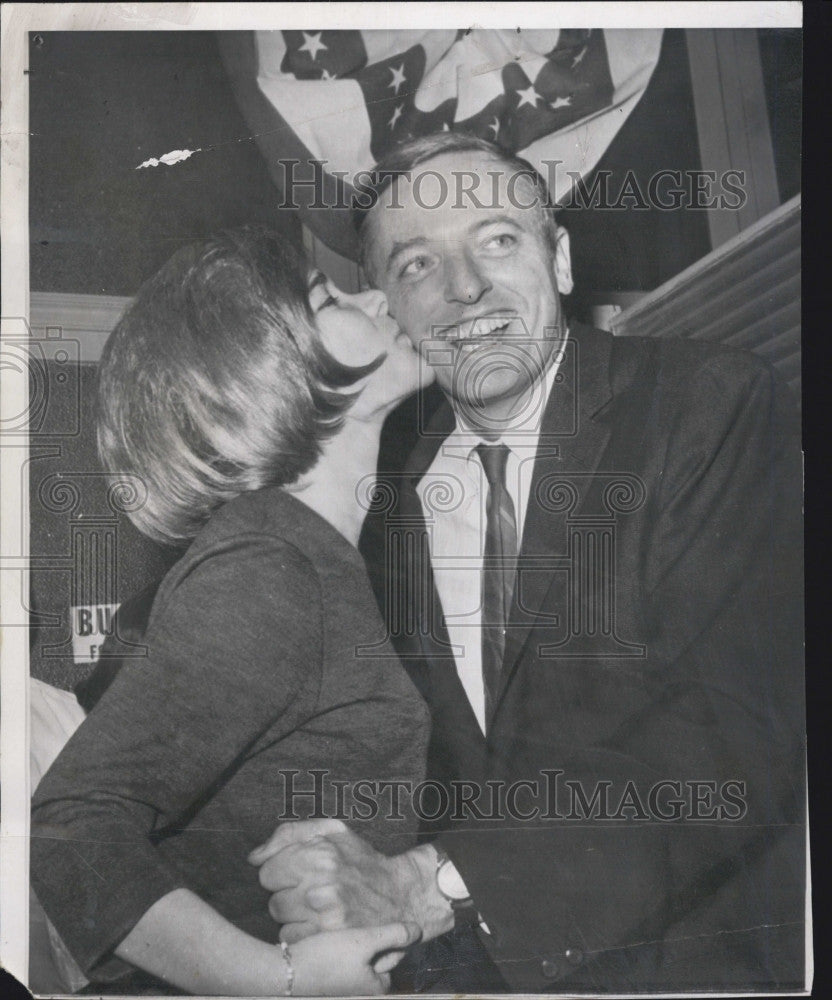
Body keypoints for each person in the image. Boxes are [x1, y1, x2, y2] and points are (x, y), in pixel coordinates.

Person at [250, 132, 806, 993]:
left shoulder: (707, 406)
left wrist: (430, 884)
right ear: (393, 308)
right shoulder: (380, 498)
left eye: (498, 240)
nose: (464, 288)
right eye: (417, 264)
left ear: (562, 258)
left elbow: (725, 741)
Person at [30, 225, 435, 996]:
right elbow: (69, 827)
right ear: (258, 367)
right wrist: (271, 980)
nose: (378, 295)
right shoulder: (270, 566)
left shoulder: (308, 554)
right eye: (331, 297)